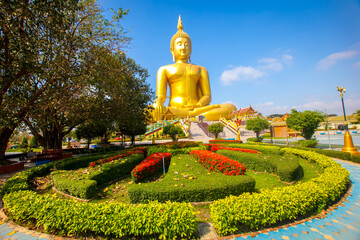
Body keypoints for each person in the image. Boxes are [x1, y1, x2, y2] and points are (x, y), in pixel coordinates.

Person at [151, 15, 236, 122]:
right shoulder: (164, 69)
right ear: (172, 50)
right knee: (149, 111)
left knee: (230, 107)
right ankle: (194, 119)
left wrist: (198, 105)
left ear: (190, 49)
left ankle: (191, 118)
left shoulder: (201, 69)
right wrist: (158, 102)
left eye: (187, 45)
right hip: (174, 110)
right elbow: (161, 96)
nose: (183, 47)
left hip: (197, 109)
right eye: (179, 44)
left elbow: (207, 96)